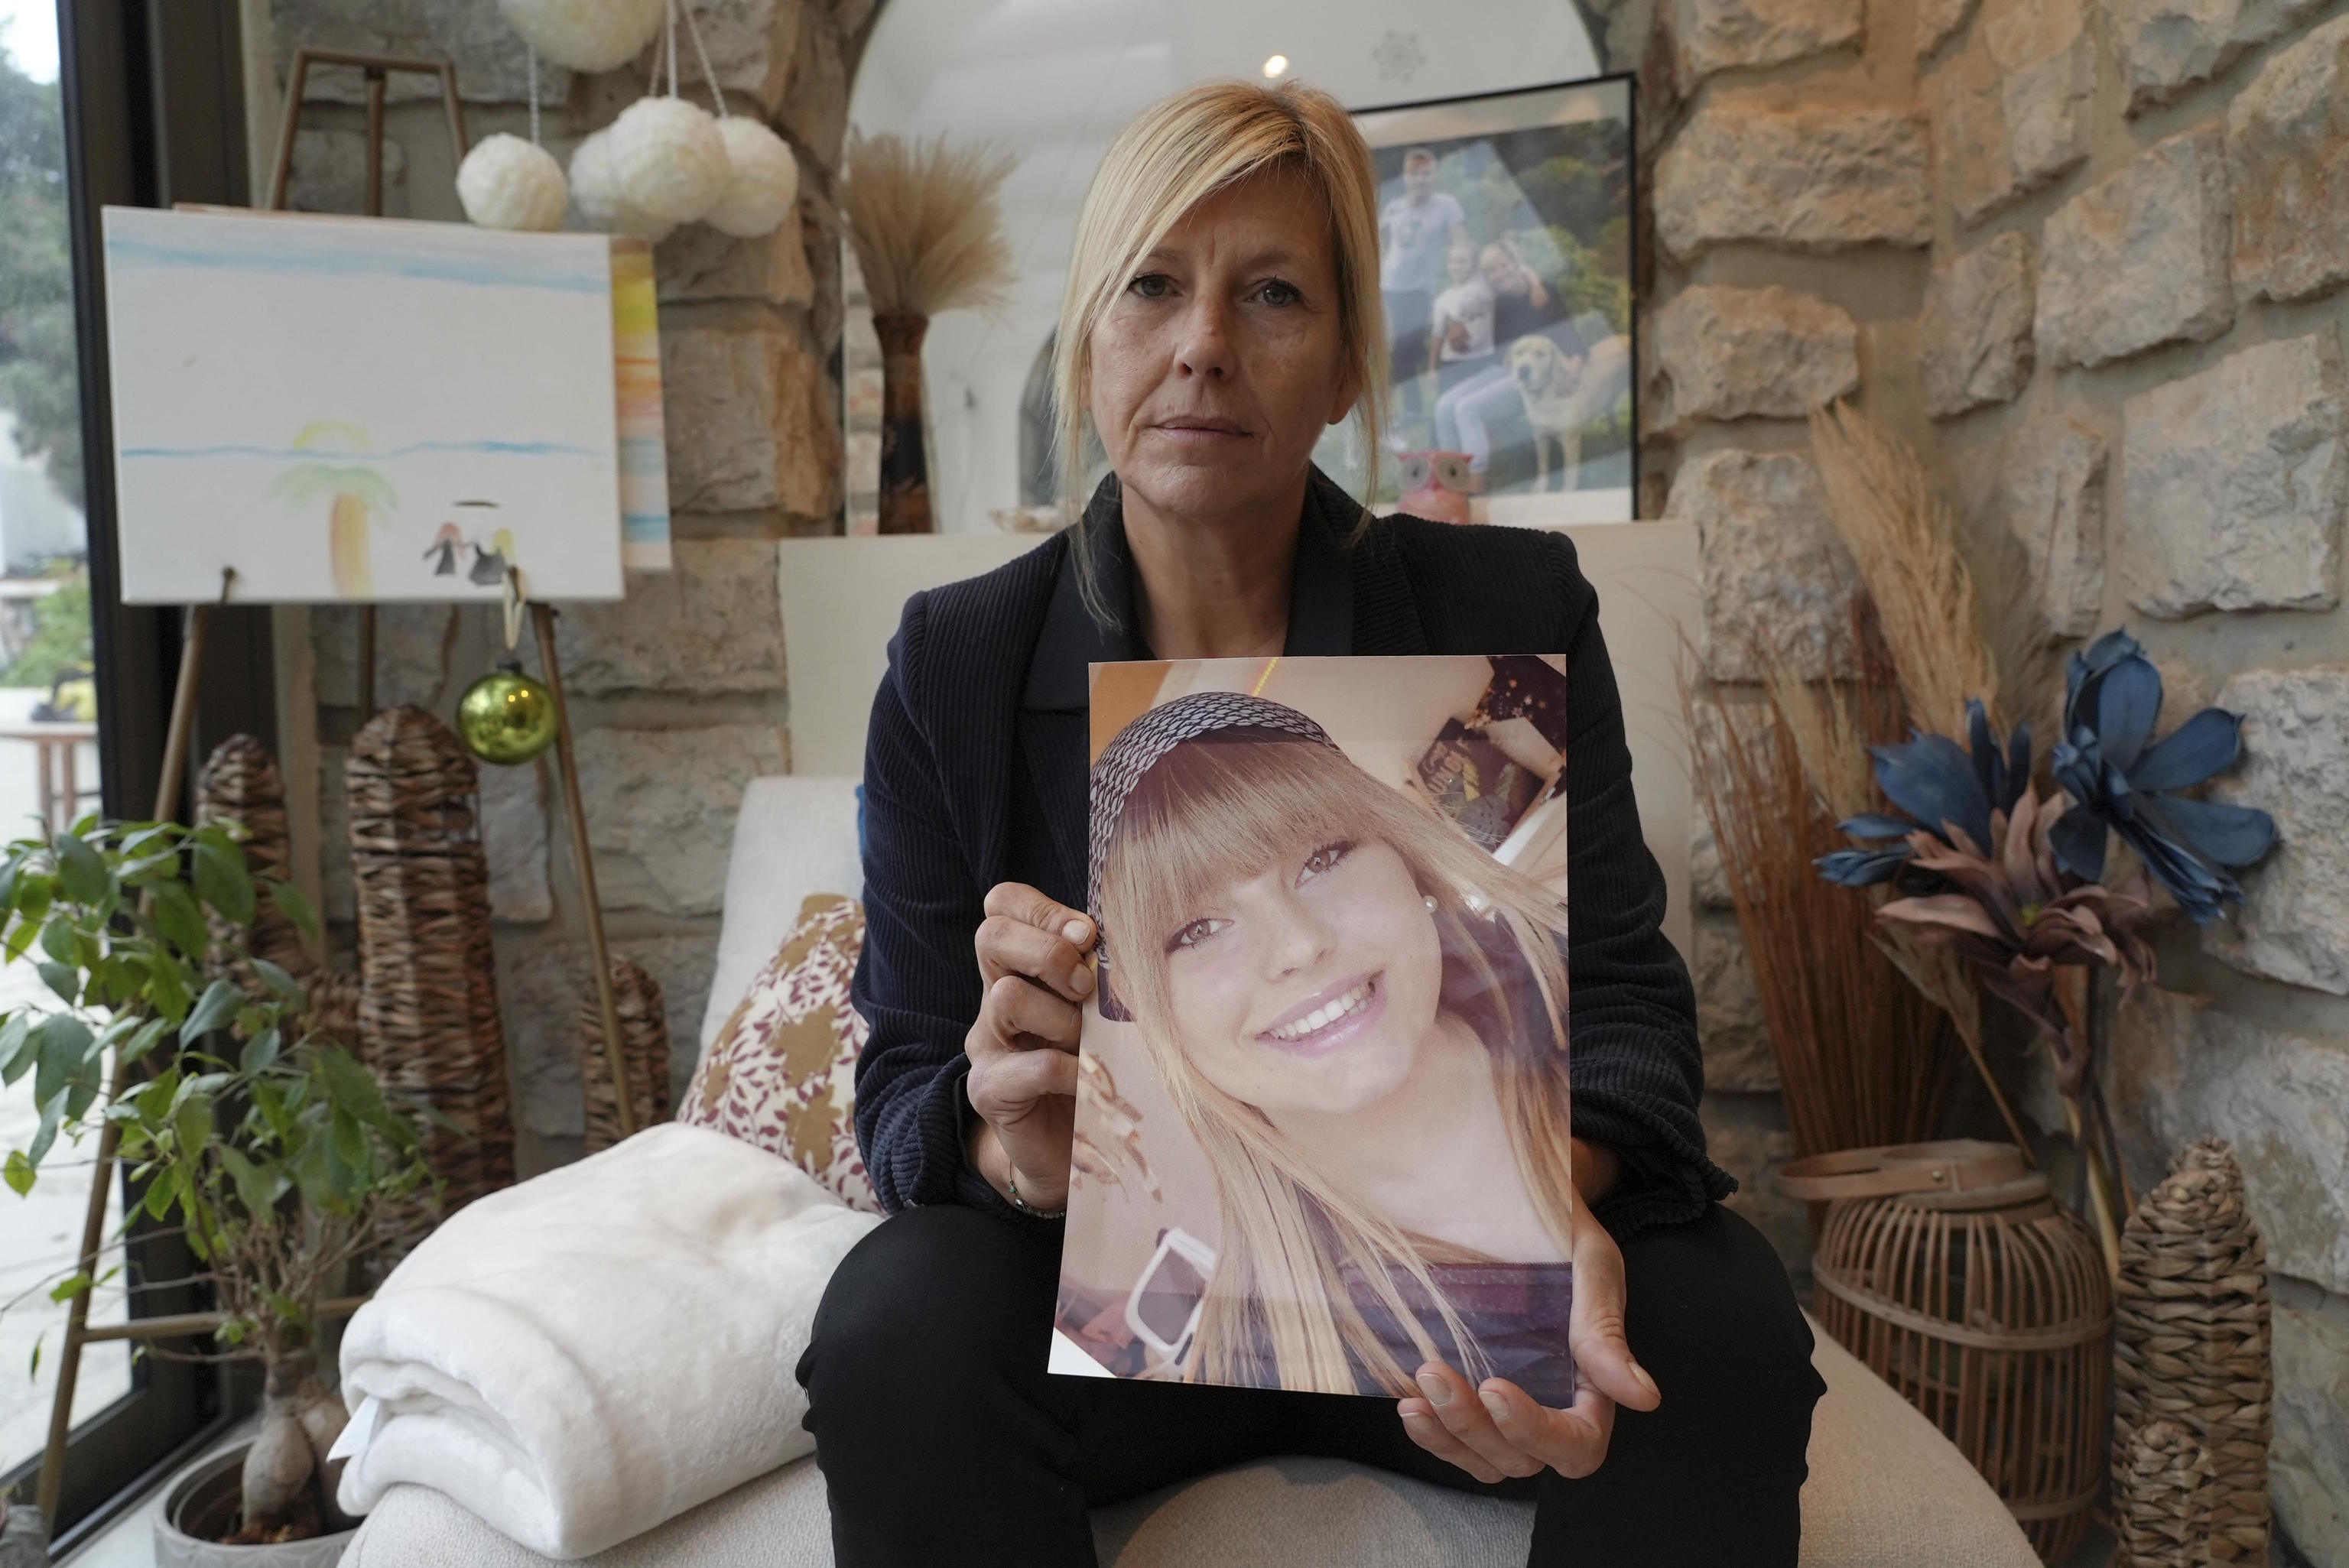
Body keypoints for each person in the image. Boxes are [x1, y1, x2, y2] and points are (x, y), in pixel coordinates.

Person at [798, 77, 1823, 1568]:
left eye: (1271, 292)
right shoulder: (961, 664)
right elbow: (897, 1099)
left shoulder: (1498, 627)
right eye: (1152, 285)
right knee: (898, 1315)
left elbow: (1629, 1040)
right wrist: (1009, 1136)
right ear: (1091, 332)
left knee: (1720, 1314)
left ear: (1347, 360)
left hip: (1453, 1313)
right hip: (1131, 1316)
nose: (1202, 343)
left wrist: (1533, 1224)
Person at [1086, 691, 1579, 1405]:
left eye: (1323, 857)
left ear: (1403, 858)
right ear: (1155, 1013)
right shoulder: (1267, 1359)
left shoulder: (1581, 984)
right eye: (1195, 929)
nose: (1298, 944)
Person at [1434, 239, 1564, 492]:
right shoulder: (1496, 301)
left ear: (1516, 262)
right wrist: (1453, 325)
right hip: (1501, 370)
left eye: (1503, 265)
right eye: (1491, 270)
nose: (1498, 273)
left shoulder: (1543, 292)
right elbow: (1463, 307)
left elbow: (1565, 334)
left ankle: (1475, 485)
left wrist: (1574, 363)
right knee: (1443, 407)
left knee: (1466, 408)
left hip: (1533, 376)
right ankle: (1450, 482)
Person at [1376, 147, 1464, 420]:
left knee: (1408, 347)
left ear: (1435, 175)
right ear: (1405, 177)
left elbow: (1460, 245)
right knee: (1398, 348)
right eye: (1415, 174)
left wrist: (1459, 283)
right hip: (1390, 288)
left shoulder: (1447, 205)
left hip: (1422, 289)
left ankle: (1414, 408)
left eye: (1427, 173)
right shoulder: (1395, 207)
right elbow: (1378, 241)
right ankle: (1408, 409)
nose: (1421, 179)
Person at [1425, 235, 1496, 405]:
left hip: (1480, 362)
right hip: (1451, 364)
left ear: (1474, 264)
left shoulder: (1483, 287)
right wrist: (1432, 369)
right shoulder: (1443, 298)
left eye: (1463, 261)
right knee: (1445, 411)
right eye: (1452, 261)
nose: (1457, 267)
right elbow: (1438, 335)